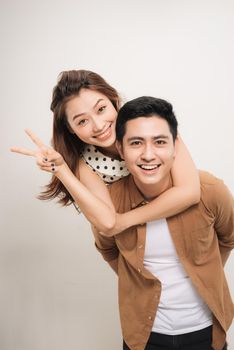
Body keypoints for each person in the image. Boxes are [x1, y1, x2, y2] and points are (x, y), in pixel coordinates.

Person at [92, 96, 234, 350]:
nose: (148, 155)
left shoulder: (210, 190)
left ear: (175, 146)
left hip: (206, 334)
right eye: (136, 143)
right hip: (143, 336)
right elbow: (107, 248)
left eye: (159, 142)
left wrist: (205, 273)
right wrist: (136, 283)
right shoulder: (109, 203)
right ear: (121, 150)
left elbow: (229, 236)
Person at [11, 70, 200, 235]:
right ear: (70, 128)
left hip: (186, 225)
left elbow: (190, 192)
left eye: (101, 109)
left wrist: (124, 221)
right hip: (135, 246)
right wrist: (61, 170)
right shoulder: (86, 163)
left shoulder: (147, 120)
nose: (99, 126)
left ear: (113, 101)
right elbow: (108, 224)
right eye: (82, 121)